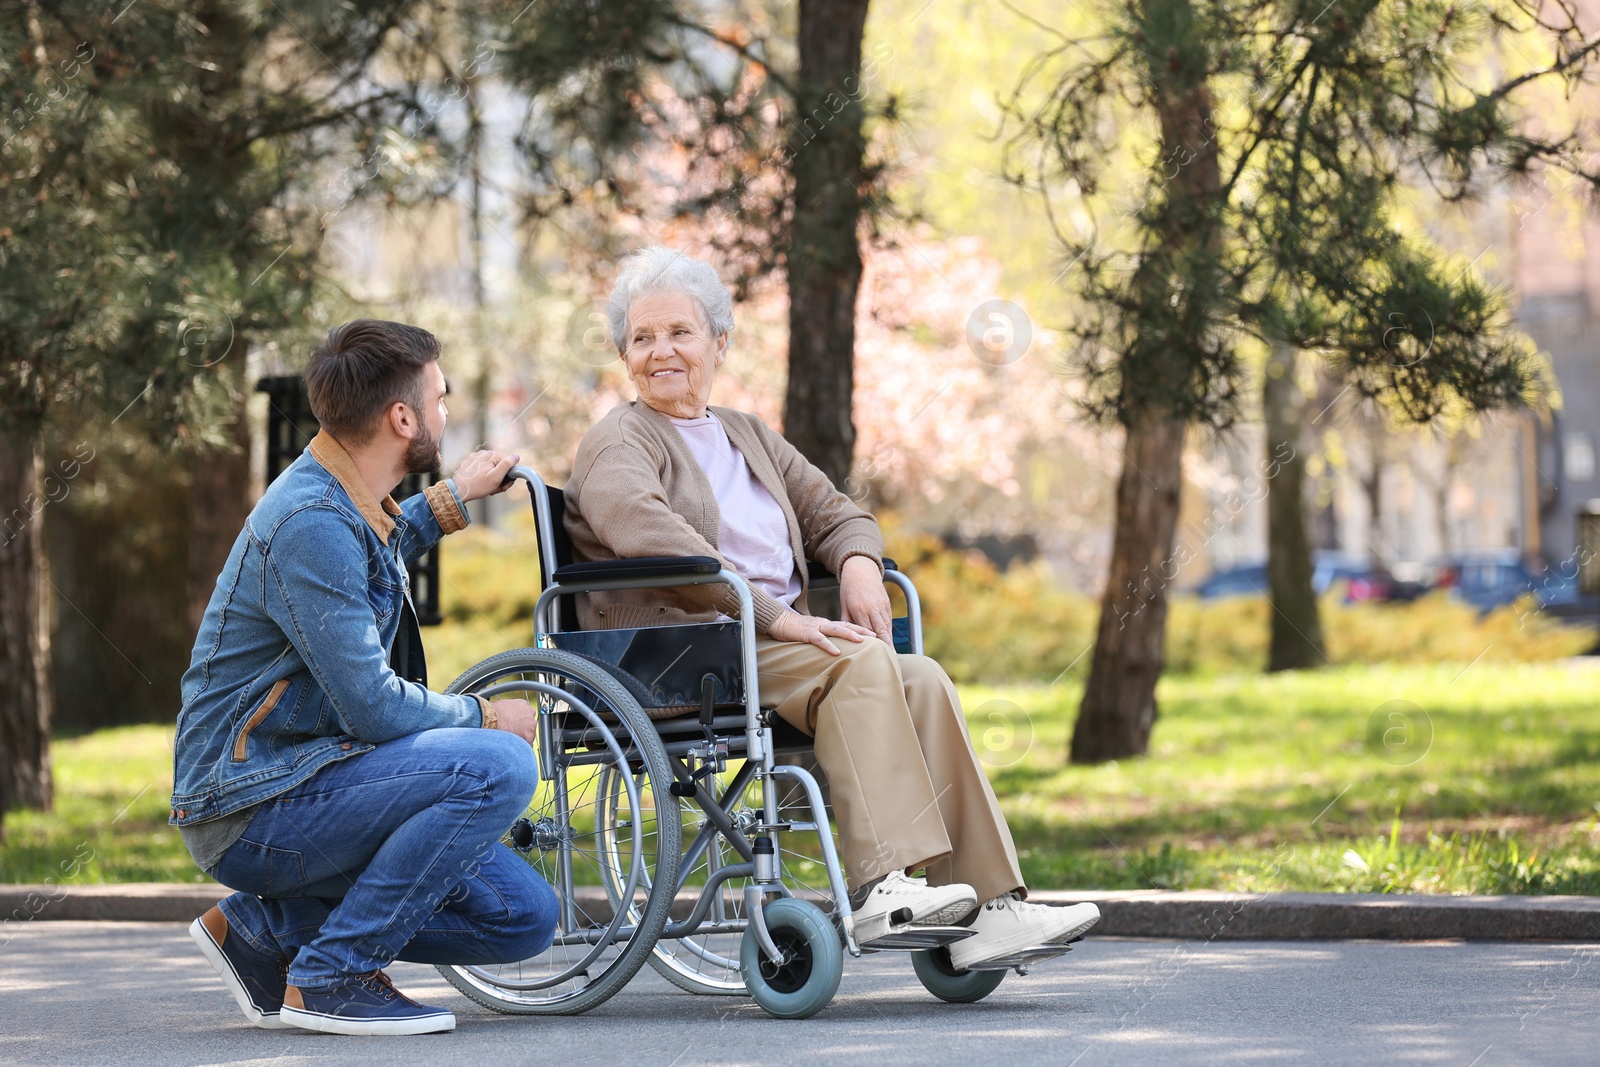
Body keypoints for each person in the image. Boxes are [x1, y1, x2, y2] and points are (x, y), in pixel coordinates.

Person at [562, 247, 1101, 967]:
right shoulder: (617, 442)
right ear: (624, 354)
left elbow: (833, 510)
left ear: (719, 342)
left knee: (923, 677)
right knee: (858, 665)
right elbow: (653, 538)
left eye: (680, 333)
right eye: (642, 337)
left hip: (766, 643)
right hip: (683, 651)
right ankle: (883, 885)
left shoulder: (745, 433)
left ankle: (993, 905)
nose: (661, 351)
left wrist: (857, 566)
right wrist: (778, 616)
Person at [171, 320, 555, 1036]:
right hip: (252, 804)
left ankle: (264, 929)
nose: (445, 412)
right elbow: (375, 707)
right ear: (401, 417)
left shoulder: (340, 501)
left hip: (313, 778)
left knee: (522, 918)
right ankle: (331, 975)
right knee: (497, 764)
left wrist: (453, 497)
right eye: (439, 398)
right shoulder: (310, 519)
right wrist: (483, 716)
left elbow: (373, 550)